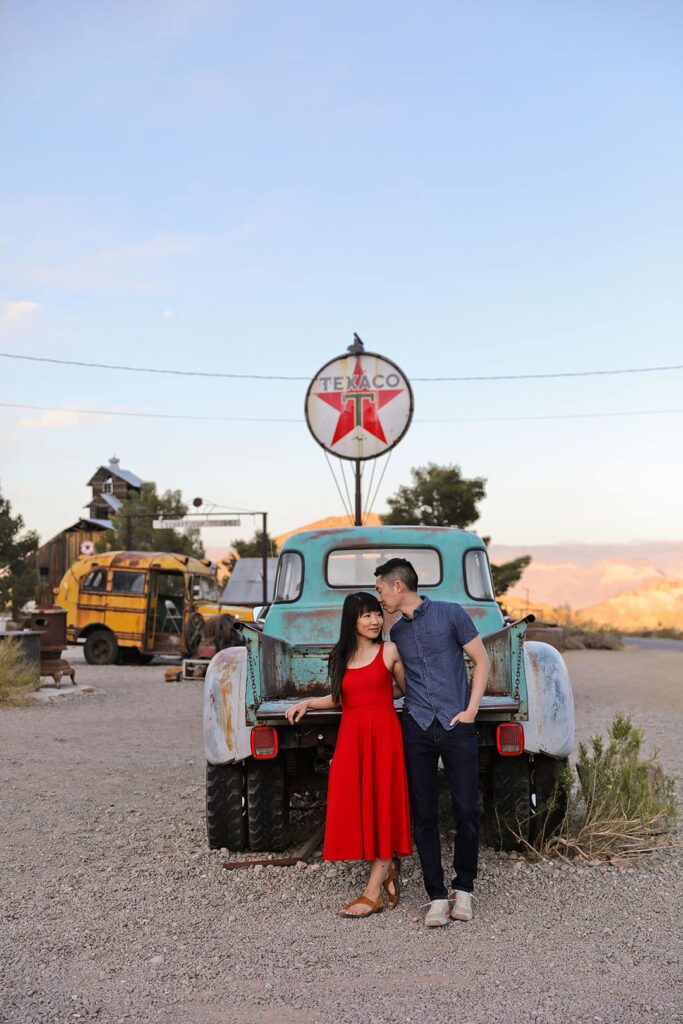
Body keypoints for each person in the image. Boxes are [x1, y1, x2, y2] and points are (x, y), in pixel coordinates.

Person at [374, 558, 490, 927]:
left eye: (380, 590)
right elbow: (404, 683)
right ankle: (436, 895)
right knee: (422, 813)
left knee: (467, 809)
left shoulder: (451, 614)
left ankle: (465, 889)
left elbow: (482, 661)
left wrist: (471, 710)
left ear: (398, 586)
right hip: (417, 727)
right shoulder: (398, 635)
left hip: (458, 724)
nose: (379, 599)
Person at [285, 591, 412, 918]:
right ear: (351, 620)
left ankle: (373, 892)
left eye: (376, 614)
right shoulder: (341, 657)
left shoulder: (390, 651)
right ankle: (389, 872)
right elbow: (340, 696)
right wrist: (308, 703)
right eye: (365, 615)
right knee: (356, 804)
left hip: (383, 737)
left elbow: (405, 690)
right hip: (352, 739)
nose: (374, 621)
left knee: (382, 805)